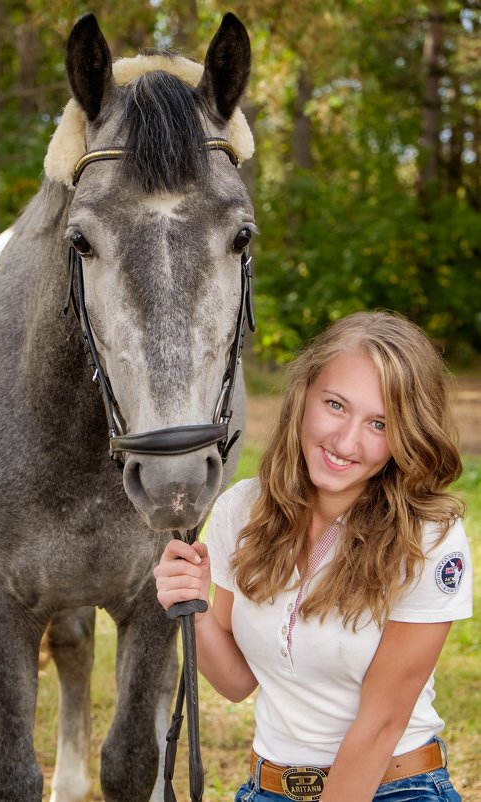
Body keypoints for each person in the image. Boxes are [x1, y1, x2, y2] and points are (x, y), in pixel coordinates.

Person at [154, 310, 472, 802]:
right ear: (304, 396)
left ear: (407, 434)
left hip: (396, 788)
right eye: (336, 405)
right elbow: (238, 683)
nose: (346, 442)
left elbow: (382, 723)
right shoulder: (242, 510)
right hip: (269, 788)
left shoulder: (427, 539)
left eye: (380, 423)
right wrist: (191, 609)